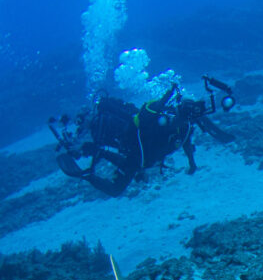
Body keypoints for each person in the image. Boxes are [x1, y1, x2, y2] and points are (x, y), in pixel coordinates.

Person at [52, 76, 235, 196]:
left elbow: (186, 142)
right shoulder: (157, 117)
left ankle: (96, 151)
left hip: (144, 159)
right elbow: (148, 114)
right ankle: (87, 172)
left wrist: (192, 164)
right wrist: (167, 96)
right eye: (182, 113)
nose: (185, 119)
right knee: (116, 189)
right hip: (134, 152)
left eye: (188, 117)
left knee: (130, 167)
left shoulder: (185, 127)